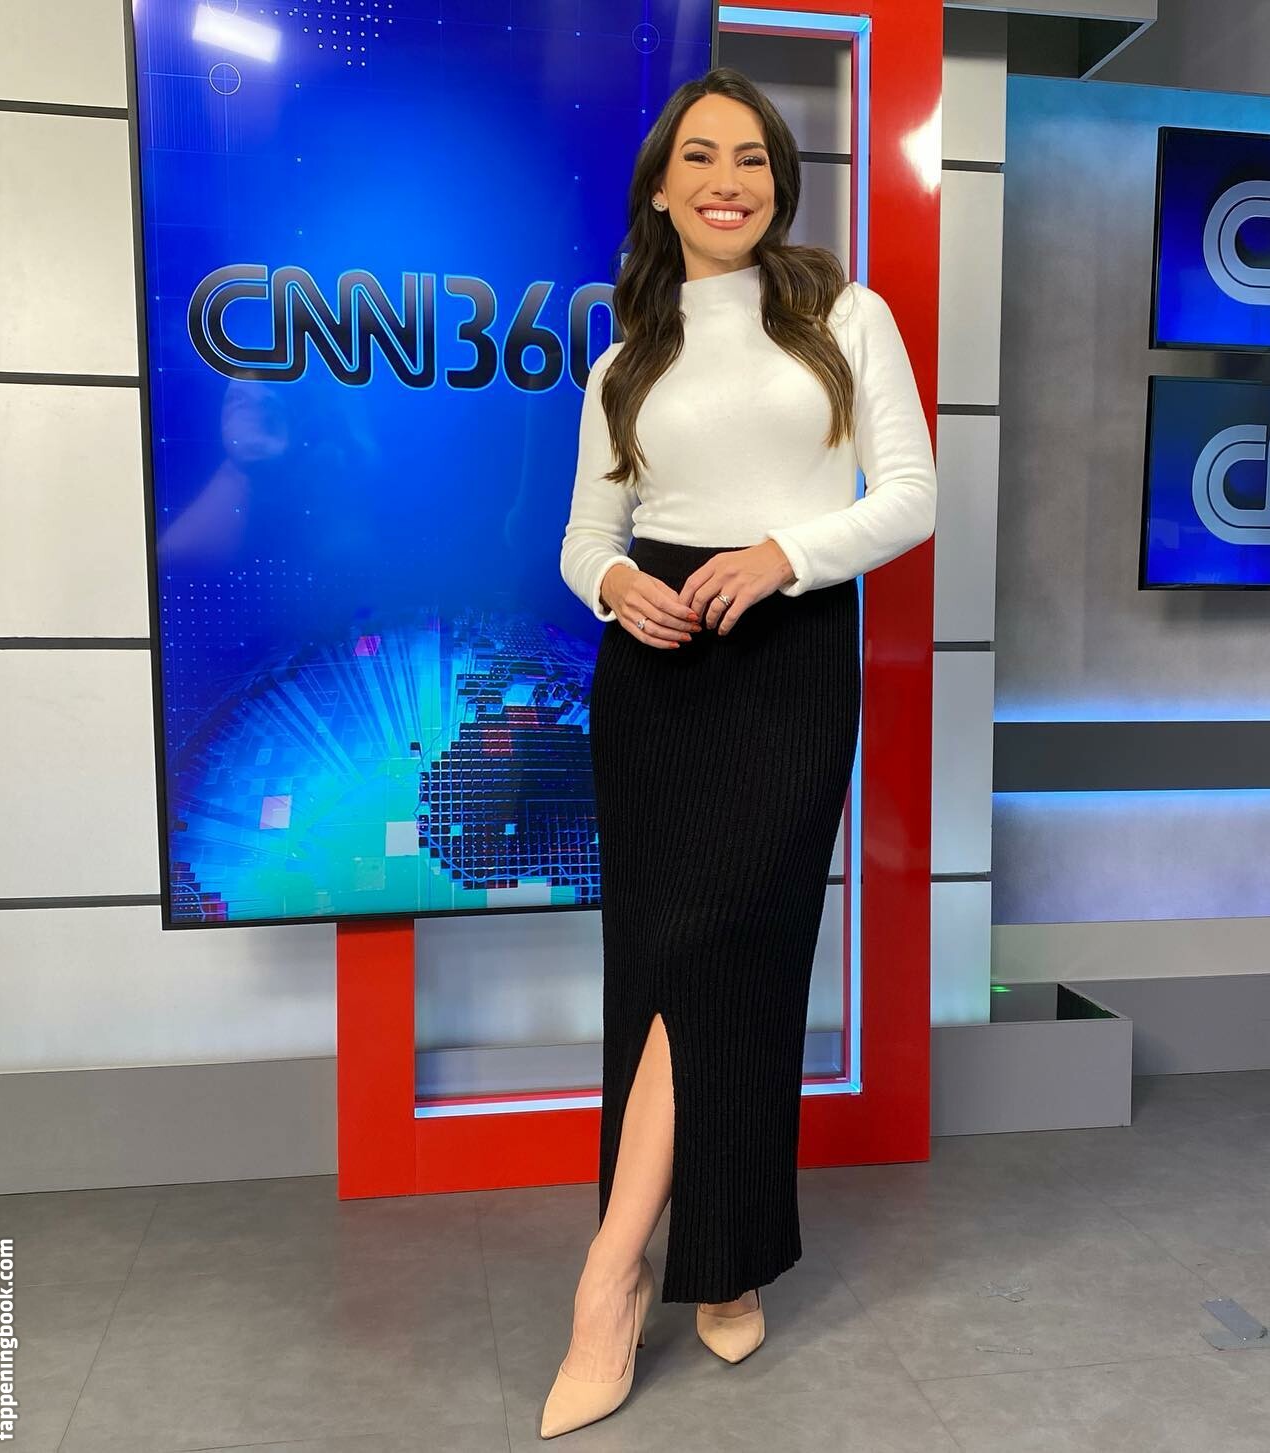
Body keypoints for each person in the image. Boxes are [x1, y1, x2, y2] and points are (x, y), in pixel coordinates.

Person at [546, 64, 937, 1438]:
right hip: (654, 674)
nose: (730, 180)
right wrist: (614, 587)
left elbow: (910, 496)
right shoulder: (624, 359)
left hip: (786, 656)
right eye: (702, 157)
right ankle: (717, 1261)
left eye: (755, 158)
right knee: (663, 966)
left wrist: (784, 554)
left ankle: (613, 1274)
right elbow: (584, 537)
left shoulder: (843, 316)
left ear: (780, 182)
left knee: (731, 955)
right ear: (661, 187)